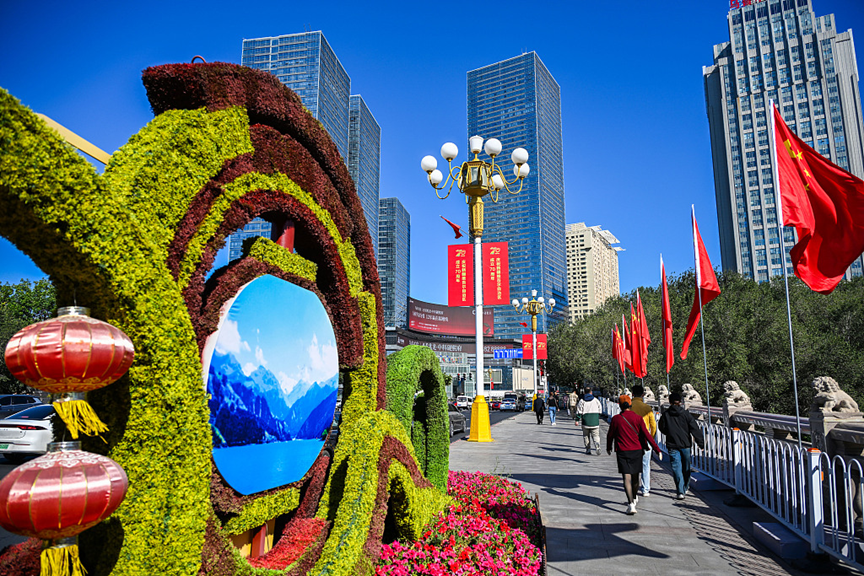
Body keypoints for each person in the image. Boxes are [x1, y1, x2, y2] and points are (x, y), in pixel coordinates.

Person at [607, 395, 662, 515]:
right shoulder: (637, 418)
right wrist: (657, 449)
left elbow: (610, 435)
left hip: (622, 451)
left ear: (620, 405)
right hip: (636, 451)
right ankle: (635, 496)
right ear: (630, 405)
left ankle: (630, 503)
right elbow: (647, 435)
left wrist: (608, 447)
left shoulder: (616, 419)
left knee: (626, 478)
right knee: (635, 477)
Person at [658, 391, 705, 500]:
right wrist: (700, 443)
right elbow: (694, 428)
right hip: (685, 445)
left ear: (669, 402)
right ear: (680, 402)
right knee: (686, 466)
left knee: (676, 467)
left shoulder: (666, 414)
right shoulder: (685, 414)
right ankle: (685, 486)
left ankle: (680, 491)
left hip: (672, 444)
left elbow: (662, 427)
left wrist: (670, 433)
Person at [630, 384, 657, 498]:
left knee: (633, 466)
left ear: (632, 394)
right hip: (645, 440)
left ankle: (633, 487)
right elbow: (653, 426)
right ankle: (646, 489)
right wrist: (650, 437)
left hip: (631, 440)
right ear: (643, 395)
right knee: (646, 465)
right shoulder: (647, 408)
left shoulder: (629, 406)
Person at [574, 386, 603, 455]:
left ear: (584, 392)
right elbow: (600, 410)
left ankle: (588, 449)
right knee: (596, 435)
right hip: (595, 421)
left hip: (585, 422)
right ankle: (597, 445)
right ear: (591, 392)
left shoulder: (582, 401)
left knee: (586, 436)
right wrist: (597, 416)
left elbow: (579, 411)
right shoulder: (596, 400)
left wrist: (577, 420)